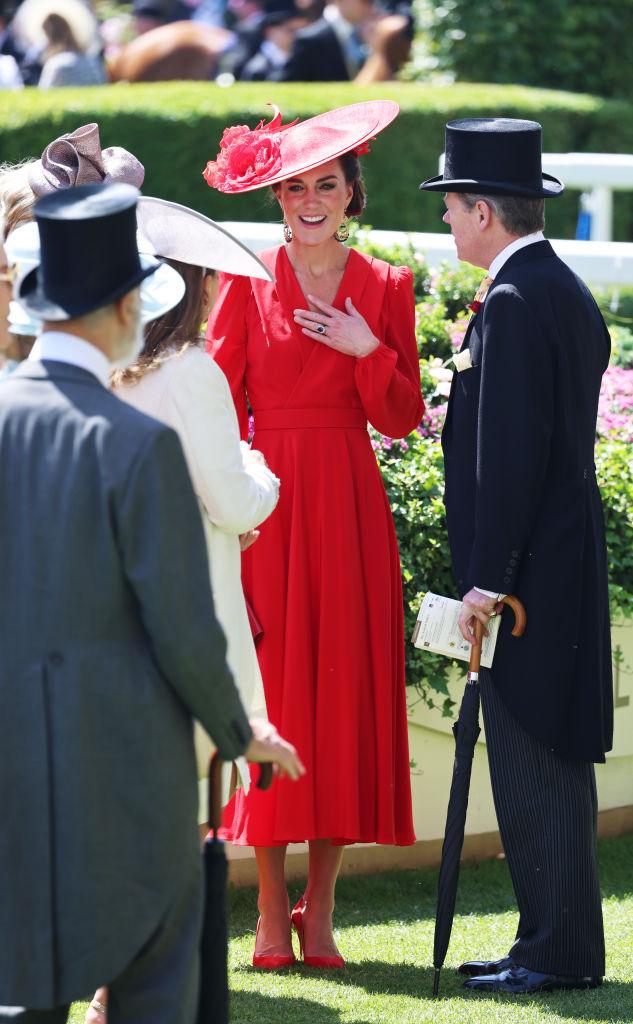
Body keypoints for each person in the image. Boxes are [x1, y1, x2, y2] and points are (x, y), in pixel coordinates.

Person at [0, 181, 304, 1023]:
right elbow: (182, 625)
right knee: (152, 988)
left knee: (21, 986)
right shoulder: (136, 446)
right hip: (128, 765)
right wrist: (241, 729)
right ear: (129, 303)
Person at [205, 100, 424, 968]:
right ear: (278, 197)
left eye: (325, 184)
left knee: (343, 698)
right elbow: (218, 406)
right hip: (269, 511)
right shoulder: (247, 279)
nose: (309, 200)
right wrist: (228, 508)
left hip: (350, 507)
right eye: (294, 187)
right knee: (278, 700)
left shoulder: (387, 287)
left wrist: (369, 348)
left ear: (350, 193)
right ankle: (267, 908)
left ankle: (319, 907)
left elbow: (400, 418)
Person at [419, 118, 613, 995]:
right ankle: (546, 940)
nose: (447, 221)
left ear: (483, 212)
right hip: (554, 562)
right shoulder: (555, 287)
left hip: (527, 578)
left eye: (453, 206)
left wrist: (486, 582)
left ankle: (556, 953)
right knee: (540, 756)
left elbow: (510, 459)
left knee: (535, 755)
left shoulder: (514, 299)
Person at [85, 198, 281, 1024]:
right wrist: (260, 468)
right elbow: (232, 500)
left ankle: (111, 982)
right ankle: (129, 991)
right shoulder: (192, 372)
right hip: (181, 617)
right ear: (195, 289)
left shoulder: (96, 368)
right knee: (173, 820)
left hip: (103, 615)